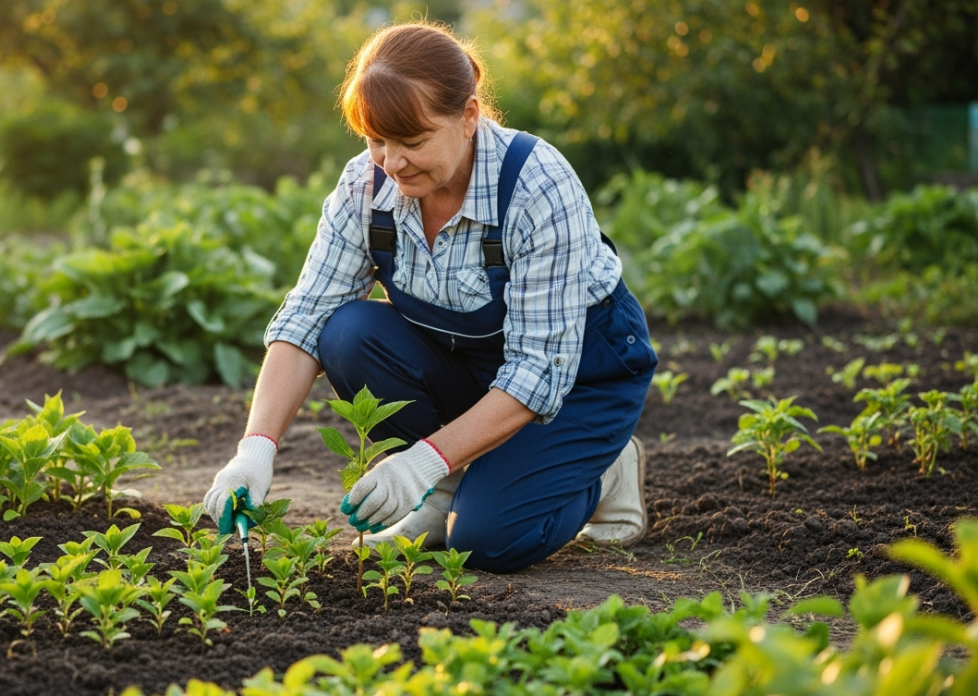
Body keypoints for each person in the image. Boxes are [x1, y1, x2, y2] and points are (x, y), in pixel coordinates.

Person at [203, 22, 657, 574]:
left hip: (576, 379)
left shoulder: (536, 186)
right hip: (475, 366)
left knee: (487, 541)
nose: (392, 164)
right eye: (376, 141)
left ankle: (600, 467)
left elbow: (538, 372)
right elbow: (307, 315)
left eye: (413, 142)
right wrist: (255, 451)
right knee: (347, 334)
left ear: (468, 117)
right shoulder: (365, 186)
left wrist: (419, 463)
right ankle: (452, 483)